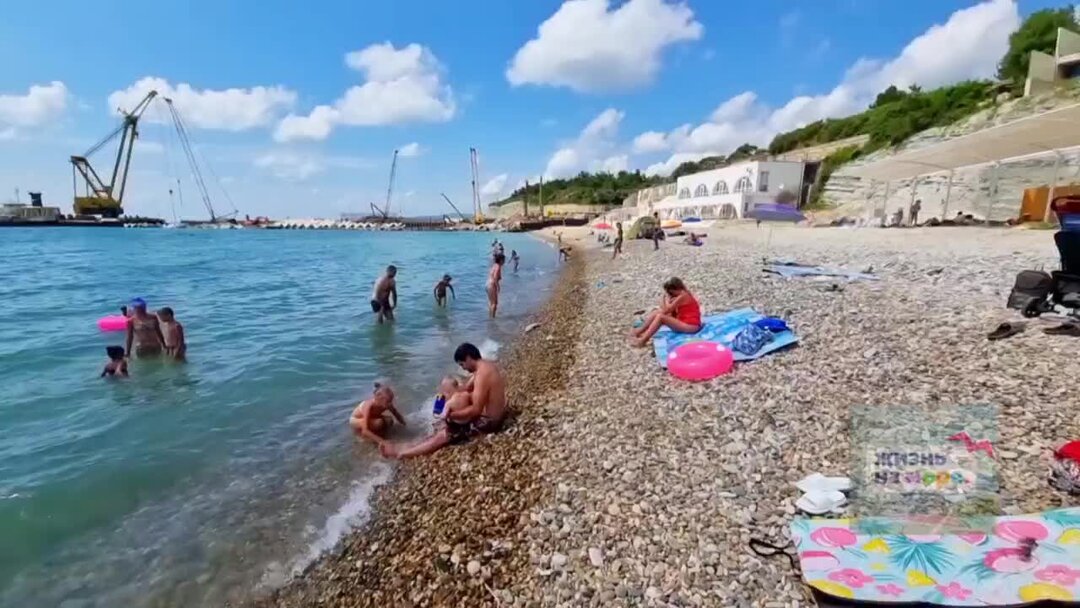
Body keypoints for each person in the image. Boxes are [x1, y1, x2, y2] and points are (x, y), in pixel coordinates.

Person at [380, 343, 506, 459]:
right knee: (445, 422)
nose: (463, 369)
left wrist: (451, 415)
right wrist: (448, 391)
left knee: (445, 434)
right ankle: (409, 445)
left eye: (462, 364)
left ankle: (401, 453)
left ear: (468, 358)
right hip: (492, 416)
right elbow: (466, 388)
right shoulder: (485, 366)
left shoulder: (482, 375)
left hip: (489, 423)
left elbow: (475, 410)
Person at [630, 277, 703, 347]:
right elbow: (670, 312)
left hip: (692, 326)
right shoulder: (680, 296)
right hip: (684, 322)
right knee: (657, 312)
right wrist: (668, 301)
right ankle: (640, 331)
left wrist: (664, 299)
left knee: (661, 317)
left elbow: (666, 310)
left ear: (676, 289)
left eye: (671, 292)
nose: (671, 294)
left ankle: (643, 341)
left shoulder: (683, 296)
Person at [487, 253, 505, 318]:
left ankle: (490, 317)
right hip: (492, 284)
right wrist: (498, 286)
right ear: (500, 260)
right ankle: (493, 318)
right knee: (495, 303)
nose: (504, 262)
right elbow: (495, 277)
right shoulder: (498, 266)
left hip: (487, 284)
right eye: (504, 260)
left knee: (491, 303)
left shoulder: (494, 265)